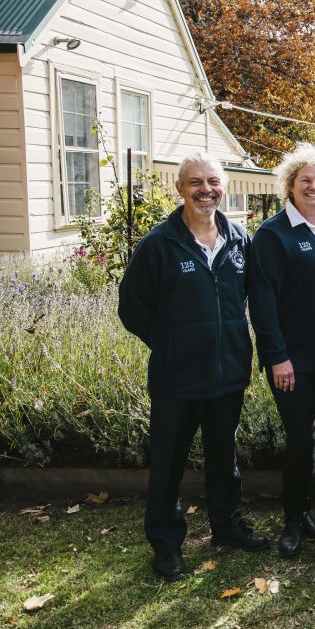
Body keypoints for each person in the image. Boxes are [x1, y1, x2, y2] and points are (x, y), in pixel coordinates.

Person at [119, 152, 268, 581]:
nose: (206, 190)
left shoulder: (239, 239)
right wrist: (170, 343)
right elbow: (132, 308)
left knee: (224, 456)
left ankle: (226, 525)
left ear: (224, 187)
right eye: (196, 182)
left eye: (213, 182)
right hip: (176, 378)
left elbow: (250, 299)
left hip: (227, 375)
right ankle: (166, 545)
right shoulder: (160, 243)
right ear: (180, 188)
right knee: (169, 463)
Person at [247, 144, 315, 557]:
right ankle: (294, 518)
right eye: (305, 180)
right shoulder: (273, 235)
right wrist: (277, 356)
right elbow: (263, 302)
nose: (313, 186)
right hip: (293, 361)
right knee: (300, 439)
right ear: (289, 186)